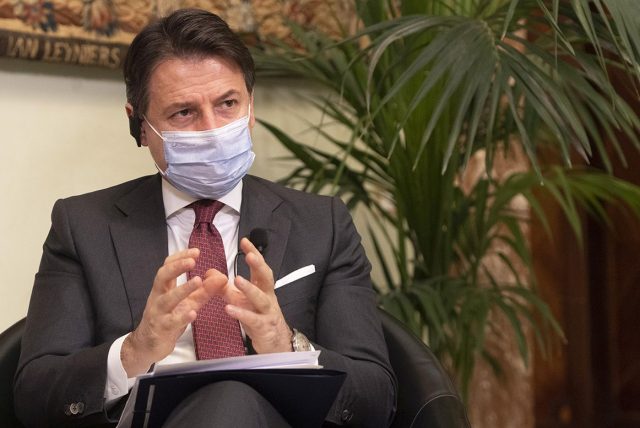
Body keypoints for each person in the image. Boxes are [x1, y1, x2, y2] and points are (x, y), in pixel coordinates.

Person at [13, 8, 396, 428]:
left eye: (228, 104)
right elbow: (34, 396)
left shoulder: (323, 224)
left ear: (251, 107)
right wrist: (135, 351)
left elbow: (376, 398)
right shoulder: (82, 226)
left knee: (231, 397)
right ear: (140, 126)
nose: (212, 129)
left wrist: (285, 345)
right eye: (183, 112)